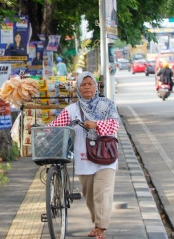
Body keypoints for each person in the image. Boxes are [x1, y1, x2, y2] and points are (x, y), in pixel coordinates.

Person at [48, 72, 120, 239]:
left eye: (90, 84)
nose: (87, 87)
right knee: (89, 197)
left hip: (106, 157)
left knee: (103, 193)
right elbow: (56, 126)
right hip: (84, 158)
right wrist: (41, 130)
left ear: (96, 87)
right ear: (78, 88)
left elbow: (115, 125)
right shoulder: (71, 110)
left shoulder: (107, 105)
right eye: (83, 84)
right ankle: (97, 224)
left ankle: (101, 228)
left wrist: (97, 124)